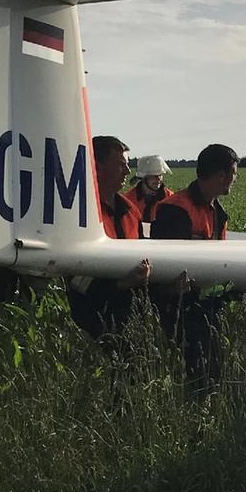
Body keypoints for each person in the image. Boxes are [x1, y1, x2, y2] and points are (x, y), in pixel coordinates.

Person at [151, 143, 238, 388]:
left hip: (206, 303)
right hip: (178, 304)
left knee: (212, 366)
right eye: (233, 173)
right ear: (221, 175)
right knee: (198, 369)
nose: (234, 180)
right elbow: (166, 266)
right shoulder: (175, 209)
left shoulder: (217, 212)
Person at [65, 136, 153, 346]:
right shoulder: (78, 211)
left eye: (127, 165)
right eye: (121, 165)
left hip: (130, 311)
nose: (127, 171)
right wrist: (120, 285)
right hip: (88, 315)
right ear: (98, 166)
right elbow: (74, 272)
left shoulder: (131, 211)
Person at [123, 154, 172, 224]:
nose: (158, 179)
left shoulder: (170, 199)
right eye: (154, 176)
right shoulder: (127, 201)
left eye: (160, 175)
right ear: (143, 178)